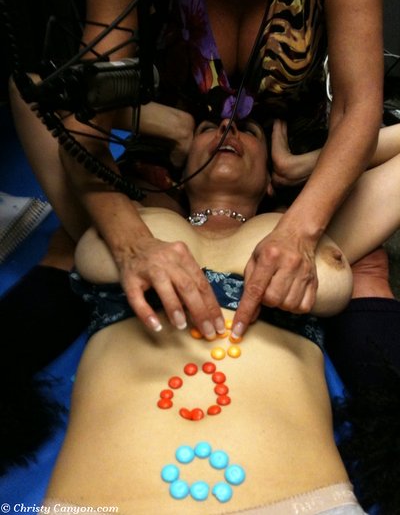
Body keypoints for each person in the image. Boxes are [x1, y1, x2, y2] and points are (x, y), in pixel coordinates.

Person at [42, 118, 400, 514]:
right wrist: (167, 124)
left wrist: (307, 165)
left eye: (249, 130)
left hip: (307, 502)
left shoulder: (309, 234)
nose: (228, 126)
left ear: (269, 180)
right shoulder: (118, 219)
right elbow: (40, 107)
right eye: (207, 127)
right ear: (178, 173)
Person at [6, 0, 387, 341]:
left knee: (366, 274)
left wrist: (302, 223)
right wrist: (131, 244)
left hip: (294, 156)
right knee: (79, 251)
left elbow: (357, 108)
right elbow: (79, 115)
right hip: (168, 155)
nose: (228, 128)